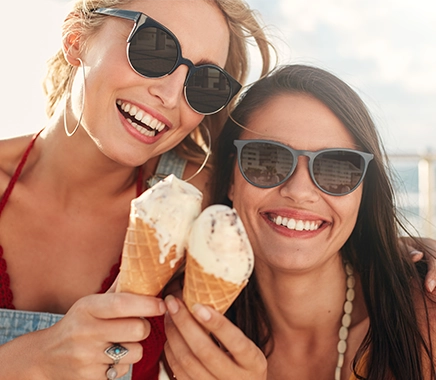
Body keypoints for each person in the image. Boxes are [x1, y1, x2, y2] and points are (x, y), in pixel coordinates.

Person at [0, 0, 273, 379]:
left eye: (205, 82)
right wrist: (30, 361)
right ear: (76, 39)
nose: (171, 95)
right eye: (153, 47)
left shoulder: (205, 204)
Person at [163, 64, 436, 380]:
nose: (299, 191)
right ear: (231, 180)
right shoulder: (184, 320)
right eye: (266, 159)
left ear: (364, 191)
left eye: (337, 168)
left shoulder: (426, 321)